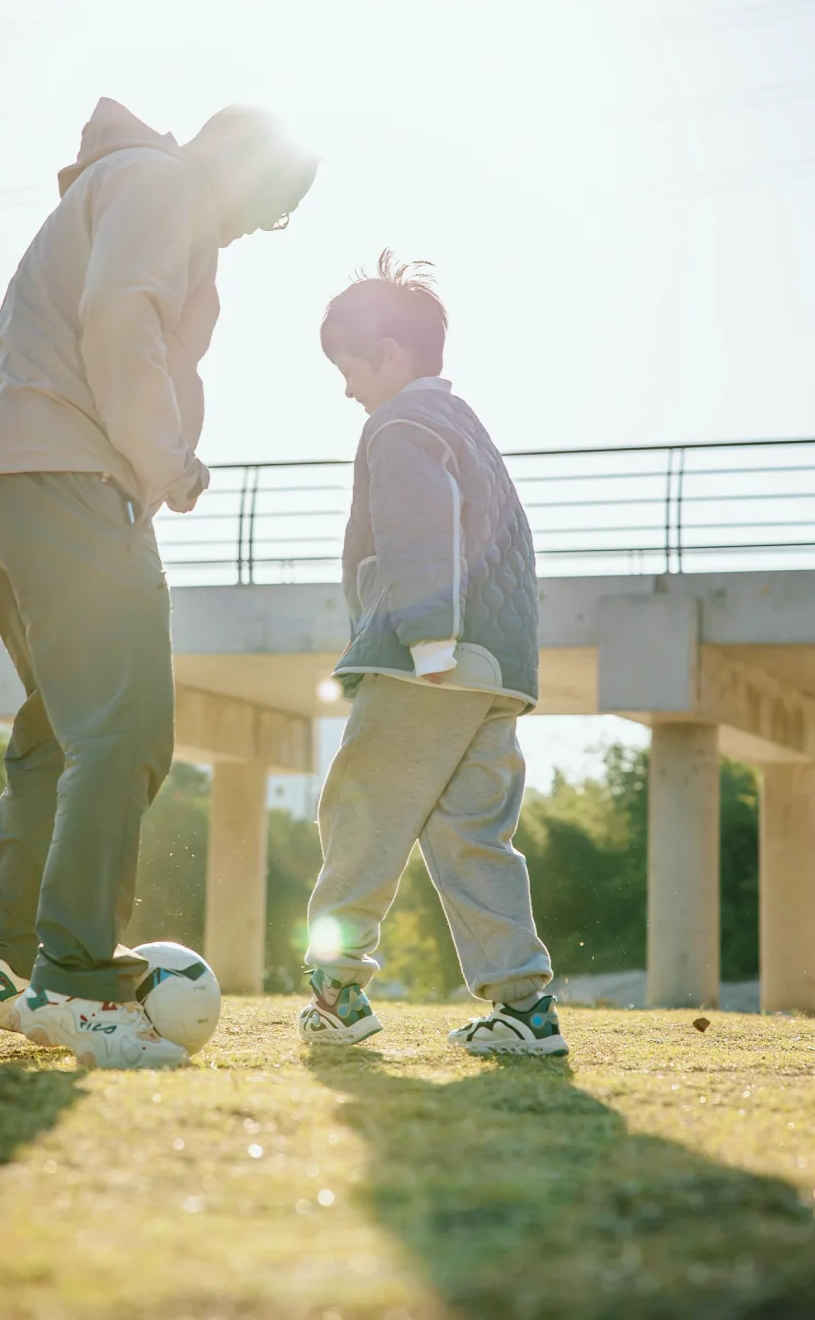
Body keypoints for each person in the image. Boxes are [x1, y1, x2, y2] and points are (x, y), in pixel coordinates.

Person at [0, 97, 316, 1070]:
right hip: (66, 477)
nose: (244, 230)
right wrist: (167, 461)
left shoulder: (108, 187)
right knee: (126, 731)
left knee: (58, 731)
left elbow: (24, 345)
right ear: (244, 175)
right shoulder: (166, 188)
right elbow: (121, 319)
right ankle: (69, 984)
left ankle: (3, 966)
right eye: (265, 209)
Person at [298, 253, 567, 1056]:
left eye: (349, 367)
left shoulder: (401, 425)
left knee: (363, 812)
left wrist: (426, 638)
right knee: (471, 835)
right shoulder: (467, 426)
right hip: (496, 669)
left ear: (389, 353)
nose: (346, 387)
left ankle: (336, 993)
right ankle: (525, 1009)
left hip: (429, 659)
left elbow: (422, 525)